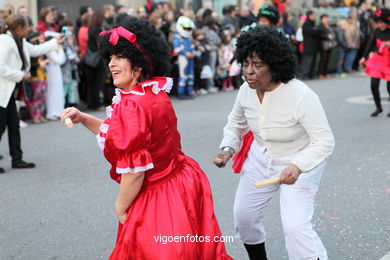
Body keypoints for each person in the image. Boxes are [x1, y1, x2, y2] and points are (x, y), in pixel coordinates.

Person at [60, 17, 232, 259]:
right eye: (110, 57)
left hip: (157, 198)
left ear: (139, 64)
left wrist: (120, 207)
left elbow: (135, 171)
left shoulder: (132, 104)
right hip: (181, 183)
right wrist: (85, 119)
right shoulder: (154, 93)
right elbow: (125, 136)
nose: (112, 64)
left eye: (119, 57)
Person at [212, 26, 335, 260]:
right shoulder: (245, 91)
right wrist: (228, 149)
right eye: (246, 63)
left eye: (257, 65)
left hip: (300, 161)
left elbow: (325, 141)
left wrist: (298, 166)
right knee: (244, 218)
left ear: (275, 65)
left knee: (296, 228)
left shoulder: (301, 96)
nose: (249, 71)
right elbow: (236, 123)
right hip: (261, 160)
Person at [0, 14, 63, 173]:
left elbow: (36, 50)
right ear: (20, 28)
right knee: (1, 127)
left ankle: (17, 159)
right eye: (27, 27)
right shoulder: (5, 42)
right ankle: (17, 158)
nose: (28, 30)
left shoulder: (18, 41)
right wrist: (20, 75)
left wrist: (55, 42)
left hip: (9, 92)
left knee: (14, 125)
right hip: (3, 90)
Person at [359, 8, 390, 117]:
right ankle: (378, 107)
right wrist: (364, 57)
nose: (380, 25)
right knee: (374, 84)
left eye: (382, 23)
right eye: (379, 23)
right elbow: (370, 45)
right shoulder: (377, 32)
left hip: (389, 61)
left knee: (389, 87)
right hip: (378, 60)